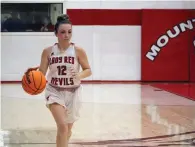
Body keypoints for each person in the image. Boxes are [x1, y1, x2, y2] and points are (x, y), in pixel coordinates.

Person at [26, 14, 92, 147]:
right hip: (54, 91)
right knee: (62, 127)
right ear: (56, 33)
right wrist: (31, 75)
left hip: (73, 93)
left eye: (69, 32)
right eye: (62, 32)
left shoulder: (78, 51)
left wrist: (78, 75)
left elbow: (88, 70)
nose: (66, 35)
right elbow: (42, 74)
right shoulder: (48, 51)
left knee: (67, 130)